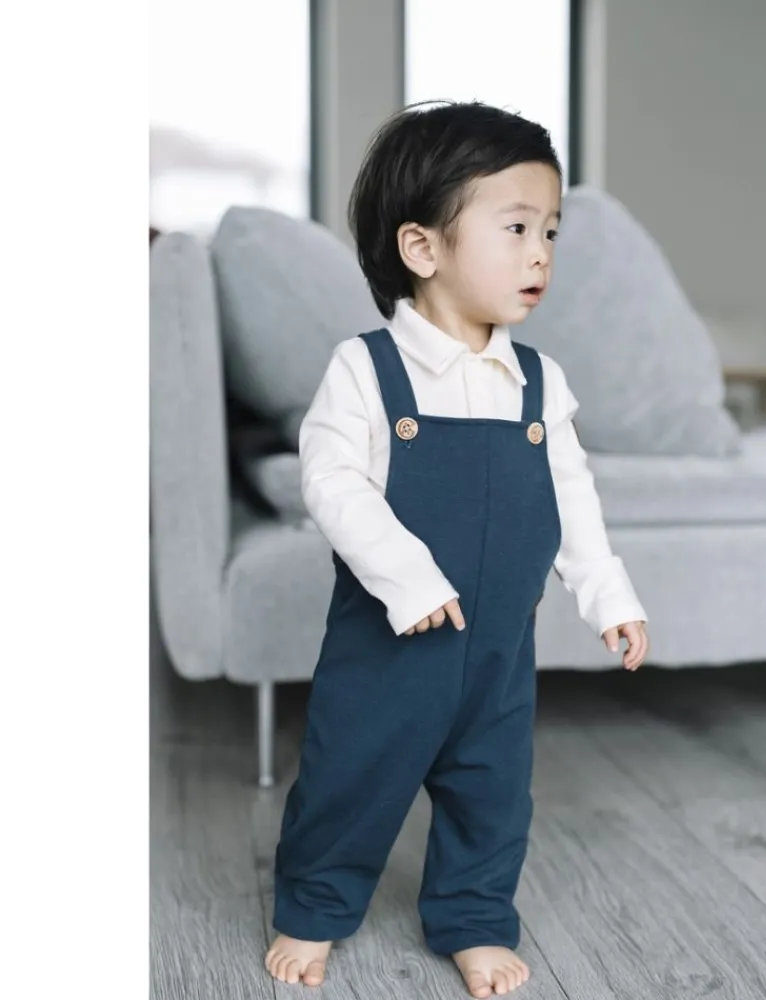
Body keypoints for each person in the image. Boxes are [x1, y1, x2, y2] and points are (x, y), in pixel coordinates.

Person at [264, 100, 650, 996]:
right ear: (422, 247)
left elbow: (571, 497)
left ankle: (474, 917)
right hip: (390, 644)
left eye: (550, 230)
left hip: (500, 648)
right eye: (515, 228)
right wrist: (406, 577)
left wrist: (609, 595)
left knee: (493, 790)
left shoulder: (539, 381)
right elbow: (332, 484)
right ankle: (313, 908)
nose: (540, 253)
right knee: (351, 778)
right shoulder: (367, 370)